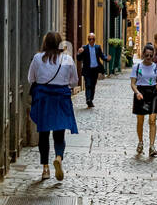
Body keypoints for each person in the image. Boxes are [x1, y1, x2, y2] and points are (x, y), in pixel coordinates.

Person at [27, 32, 78, 180]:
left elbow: (31, 78)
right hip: (61, 98)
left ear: (45, 43)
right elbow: (74, 81)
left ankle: (45, 169)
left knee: (43, 134)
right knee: (59, 133)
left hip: (44, 99)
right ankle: (59, 158)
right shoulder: (67, 59)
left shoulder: (37, 58)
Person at [131, 44, 157, 158]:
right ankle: (140, 142)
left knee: (152, 120)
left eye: (151, 55)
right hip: (141, 93)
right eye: (147, 55)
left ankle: (152, 146)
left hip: (153, 93)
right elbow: (133, 84)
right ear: (143, 54)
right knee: (140, 120)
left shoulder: (156, 67)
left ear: (153, 55)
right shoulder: (137, 67)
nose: (148, 57)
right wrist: (137, 92)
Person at [77, 32, 107, 108]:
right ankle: (88, 100)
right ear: (88, 40)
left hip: (95, 70)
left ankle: (91, 99)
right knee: (88, 85)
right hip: (87, 70)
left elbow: (102, 56)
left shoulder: (97, 47)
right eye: (89, 39)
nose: (91, 40)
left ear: (95, 40)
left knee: (93, 85)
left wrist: (107, 59)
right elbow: (79, 59)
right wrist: (79, 53)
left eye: (92, 39)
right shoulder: (84, 48)